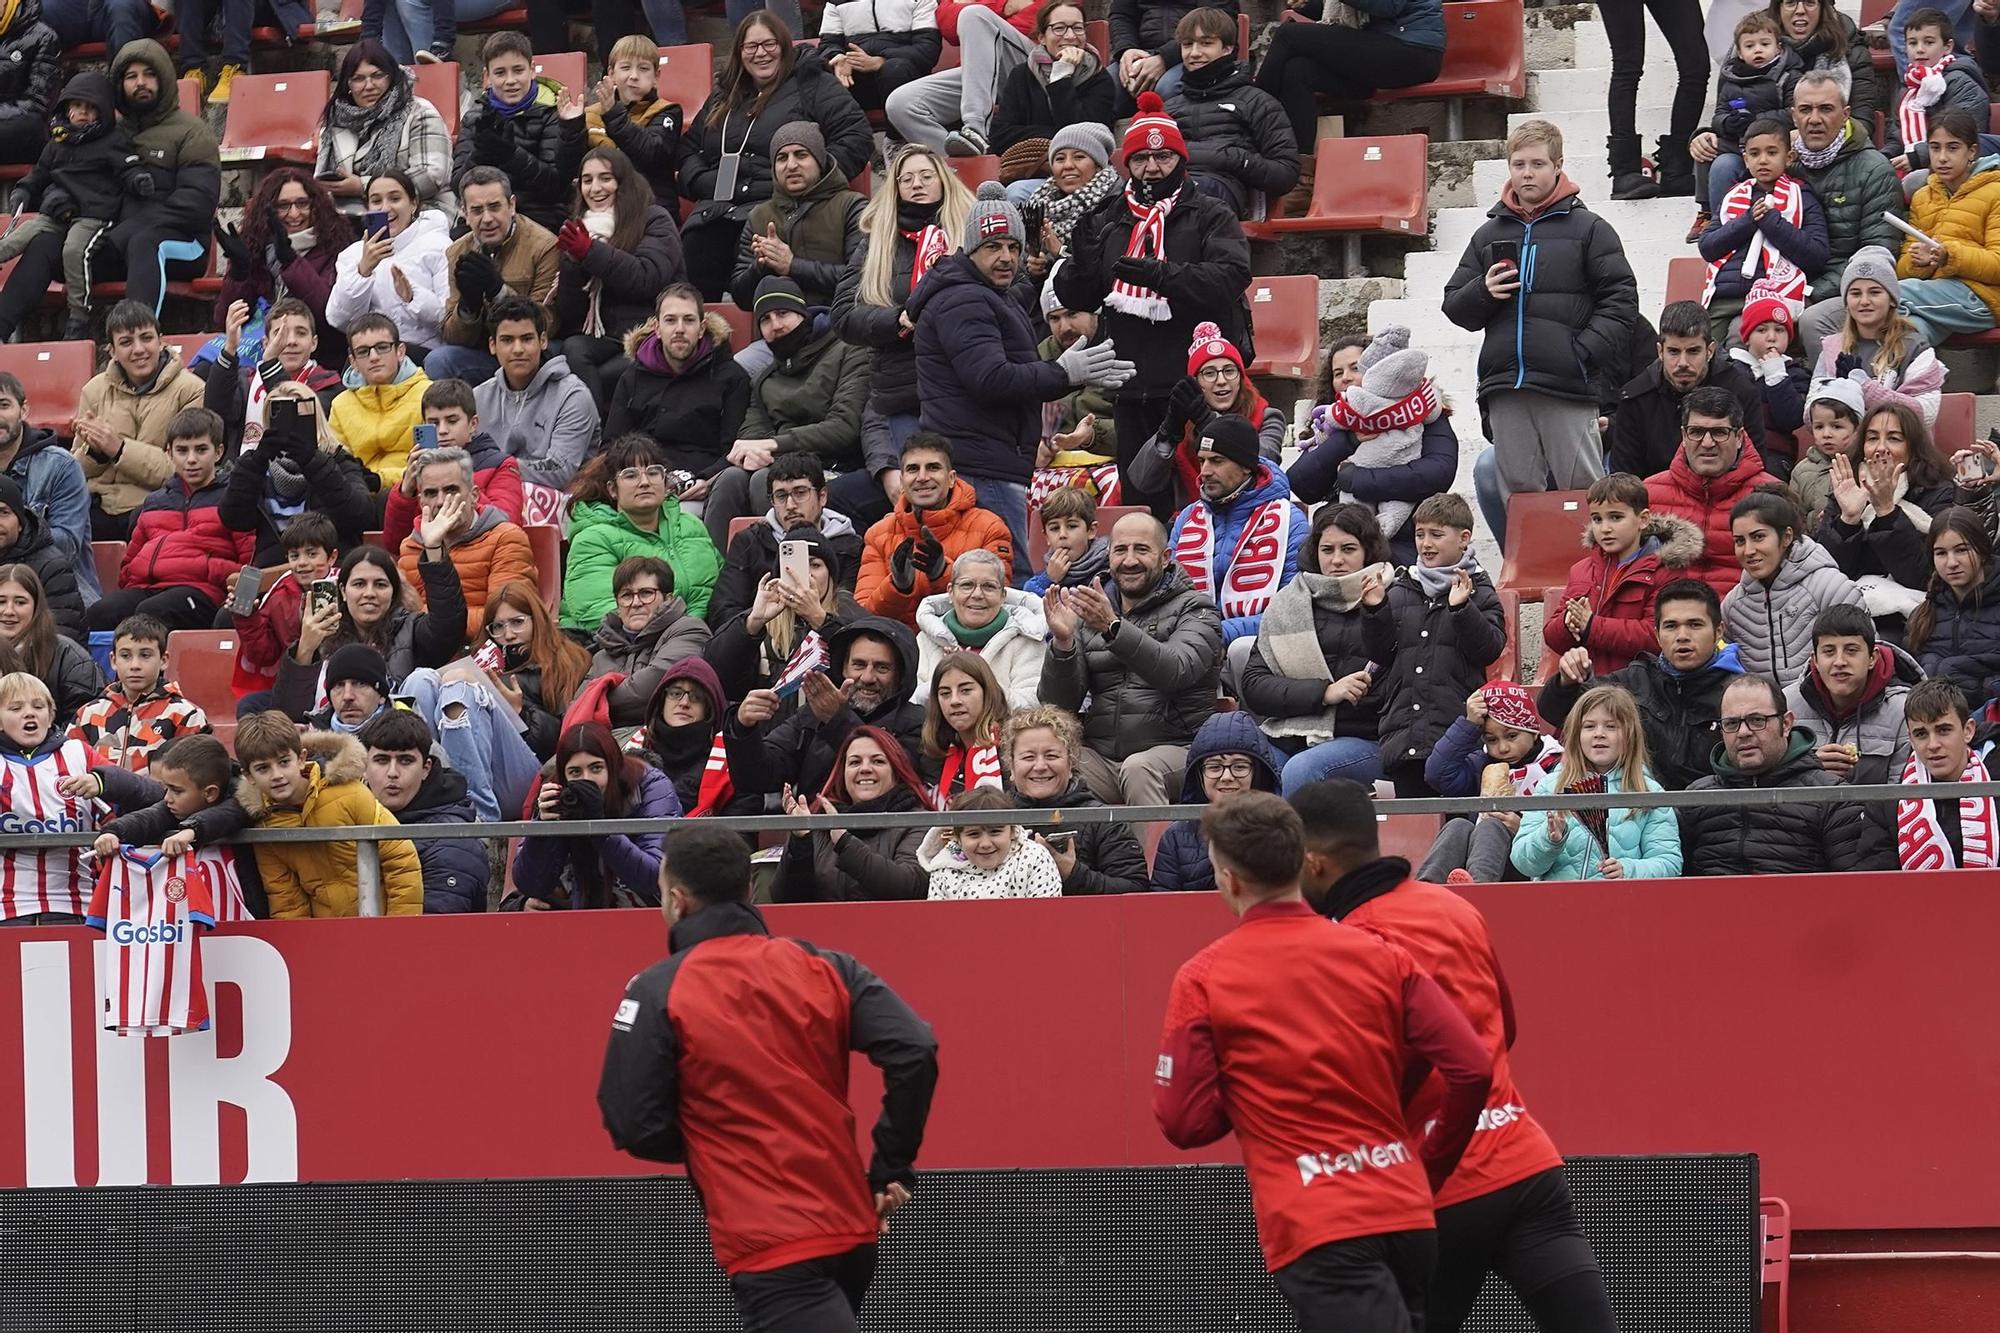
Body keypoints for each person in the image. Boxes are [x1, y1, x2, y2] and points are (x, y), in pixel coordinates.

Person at [1155, 790, 1492, 1333]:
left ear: (1229, 878)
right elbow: (1471, 1066)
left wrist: (1248, 1085)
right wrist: (1427, 1163)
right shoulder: (1381, 953)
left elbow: (1184, 1121)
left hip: (1317, 1221)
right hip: (1407, 1210)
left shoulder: (1205, 976)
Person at [1293, 780, 1618, 1331]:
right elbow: (1504, 1028)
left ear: (1312, 861)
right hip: (1526, 1166)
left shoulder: (1346, 947)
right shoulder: (1451, 906)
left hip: (1438, 1189)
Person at [597, 823, 938, 1331]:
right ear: (747, 889)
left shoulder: (658, 989)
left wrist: (721, 1140)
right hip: (850, 1230)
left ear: (675, 899)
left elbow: (632, 1123)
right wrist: (890, 1167)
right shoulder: (825, 966)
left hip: (772, 1243)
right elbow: (915, 1048)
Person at [910, 183, 1133, 559]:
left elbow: (1011, 303)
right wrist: (1064, 374)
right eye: (993, 246)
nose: (1006, 257)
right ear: (970, 250)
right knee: (1009, 579)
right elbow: (991, 379)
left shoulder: (981, 292)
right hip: (982, 464)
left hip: (989, 458)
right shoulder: (963, 299)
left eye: (1012, 247)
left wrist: (1041, 271)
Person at [1055, 94, 1250, 517]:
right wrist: (1082, 263)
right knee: (1142, 503)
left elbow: (1231, 276)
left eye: (1162, 158)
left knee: (1209, 497)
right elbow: (1075, 298)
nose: (1152, 168)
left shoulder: (1210, 213)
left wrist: (1162, 276)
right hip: (1130, 387)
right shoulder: (1108, 217)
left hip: (1195, 385)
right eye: (1142, 158)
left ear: (1179, 159)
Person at [1441, 120, 1638, 513]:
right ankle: (1533, 575)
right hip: (1505, 387)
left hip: (1568, 385)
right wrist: (1484, 291)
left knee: (1586, 497)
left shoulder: (1591, 229)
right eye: (1518, 164)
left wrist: (1579, 353)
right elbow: (1453, 305)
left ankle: (1591, 575)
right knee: (1521, 502)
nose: (1527, 173)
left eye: (1537, 164)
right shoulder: (1486, 234)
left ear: (1558, 166)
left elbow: (1622, 302)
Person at [0, 40, 214, 344]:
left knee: (144, 241)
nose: (140, 82)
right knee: (46, 241)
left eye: (148, 74)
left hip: (181, 243)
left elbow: (199, 203)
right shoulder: (102, 131)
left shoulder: (191, 131)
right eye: (130, 76)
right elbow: (67, 177)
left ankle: (137, 343)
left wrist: (136, 224)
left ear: (164, 77)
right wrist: (59, 198)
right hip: (111, 240)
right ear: (119, 86)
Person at [678, 13, 873, 299]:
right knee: (697, 244)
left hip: (784, 206)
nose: (761, 54)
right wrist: (704, 182)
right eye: (751, 47)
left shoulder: (812, 82)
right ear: (739, 52)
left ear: (784, 45)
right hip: (719, 208)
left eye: (769, 44)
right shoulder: (723, 93)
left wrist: (811, 174)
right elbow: (687, 151)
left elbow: (857, 137)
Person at [832, 143, 976, 527]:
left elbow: (1012, 292)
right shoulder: (875, 243)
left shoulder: (970, 232)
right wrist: (899, 319)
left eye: (926, 176)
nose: (916, 184)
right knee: (917, 508)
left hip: (962, 388)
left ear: (943, 181)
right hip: (901, 394)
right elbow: (844, 314)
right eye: (906, 178)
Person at [1041, 511, 1222, 805]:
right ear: (1108, 556)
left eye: (1142, 549)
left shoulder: (1197, 608)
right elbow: (1060, 705)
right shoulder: (1092, 611)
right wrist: (1063, 643)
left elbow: (1176, 670)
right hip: (1102, 756)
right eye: (1120, 550)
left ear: (1165, 557)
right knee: (1041, 765)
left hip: (1177, 750)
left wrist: (1114, 629)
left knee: (1139, 769)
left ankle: (1152, 853)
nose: (1129, 561)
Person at [704, 275, 874, 550]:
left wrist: (772, 445)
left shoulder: (848, 350)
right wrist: (750, 451)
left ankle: (785, 566)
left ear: (803, 314)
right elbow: (752, 431)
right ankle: (721, 575)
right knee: (731, 479)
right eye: (765, 320)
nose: (776, 326)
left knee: (767, 481)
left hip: (834, 465)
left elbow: (844, 427)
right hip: (782, 461)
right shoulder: (765, 378)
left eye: (783, 313)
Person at [1240, 503, 1395, 794]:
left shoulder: (1394, 599)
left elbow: (1397, 684)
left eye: (1348, 549)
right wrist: (1324, 692)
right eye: (1327, 550)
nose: (1336, 560)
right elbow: (1255, 685)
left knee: (1303, 769)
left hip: (1368, 739)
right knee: (1236, 765)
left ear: (1369, 551)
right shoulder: (1288, 603)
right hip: (1290, 734)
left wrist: (1378, 611)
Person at [1361, 493, 1506, 795]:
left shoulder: (1479, 591)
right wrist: (1375, 611)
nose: (1425, 544)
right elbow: (1381, 654)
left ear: (1464, 538)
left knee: (1450, 825)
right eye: (1419, 534)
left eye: (1437, 535)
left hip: (1453, 737)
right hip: (1403, 735)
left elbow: (1490, 648)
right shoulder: (1402, 589)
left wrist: (1463, 610)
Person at [1542, 577, 1745, 791]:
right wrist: (1566, 681)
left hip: (1714, 815)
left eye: (1695, 625)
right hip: (1640, 816)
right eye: (1671, 626)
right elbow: (1556, 712)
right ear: (1657, 635)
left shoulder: (1741, 693)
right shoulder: (1631, 682)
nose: (1682, 636)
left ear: (1719, 631)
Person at [1681, 672, 1890, 875]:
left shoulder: (1833, 797)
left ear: (1787, 724)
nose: (1743, 733)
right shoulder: (1696, 798)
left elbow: (1854, 890)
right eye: (1731, 723)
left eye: (1756, 720)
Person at [1, 70, 148, 342]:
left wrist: (138, 179)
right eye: (77, 106)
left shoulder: (111, 141)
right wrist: (22, 190)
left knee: (73, 250)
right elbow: (38, 175)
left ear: (102, 113)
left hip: (93, 216)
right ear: (66, 108)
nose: (82, 113)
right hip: (56, 216)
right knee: (14, 240)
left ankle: (78, 316)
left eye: (91, 108)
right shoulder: (56, 143)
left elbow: (128, 166)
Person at [1290, 328, 1457, 566]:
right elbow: (1301, 484)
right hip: (1346, 536)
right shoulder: (1331, 424)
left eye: (1355, 368)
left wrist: (1356, 479)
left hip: (1409, 534)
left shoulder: (1424, 413)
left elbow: (1438, 472)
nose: (1346, 377)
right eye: (1338, 373)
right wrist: (1349, 440)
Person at [232, 712, 422, 918]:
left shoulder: (350, 793)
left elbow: (402, 864)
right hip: (326, 939)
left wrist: (398, 932)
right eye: (263, 768)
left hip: (382, 926)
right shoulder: (265, 827)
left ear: (301, 759)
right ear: (249, 776)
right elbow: (287, 901)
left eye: (284, 762)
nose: (277, 775)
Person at [727, 613, 927, 798]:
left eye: (882, 668)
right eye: (858, 665)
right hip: (814, 834)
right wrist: (742, 727)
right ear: (843, 668)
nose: (867, 677)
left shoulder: (919, 723)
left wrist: (838, 720)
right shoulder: (814, 715)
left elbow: (903, 777)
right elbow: (757, 778)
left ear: (900, 675)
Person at [93, 409, 254, 632]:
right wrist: (134, 580)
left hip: (203, 592)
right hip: (149, 587)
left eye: (201, 450)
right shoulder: (153, 502)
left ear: (218, 452)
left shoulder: (233, 500)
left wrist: (211, 569)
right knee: (100, 612)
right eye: (182, 450)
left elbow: (251, 566)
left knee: (152, 612)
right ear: (169, 452)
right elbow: (129, 564)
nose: (191, 460)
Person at [553, 145, 685, 410]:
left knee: (601, 378)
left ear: (623, 182)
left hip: (650, 331)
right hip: (604, 335)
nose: (595, 188)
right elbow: (570, 313)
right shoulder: (581, 228)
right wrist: (572, 264)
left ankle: (599, 438)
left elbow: (646, 277)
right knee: (572, 349)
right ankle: (591, 439)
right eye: (587, 180)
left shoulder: (654, 218)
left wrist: (590, 252)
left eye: (606, 178)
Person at [1512, 683, 1682, 882]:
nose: (1599, 733)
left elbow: (1669, 863)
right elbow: (1523, 863)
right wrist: (1549, 840)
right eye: (1589, 726)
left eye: (1611, 726)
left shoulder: (1650, 794)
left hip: (1620, 906)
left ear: (1630, 736)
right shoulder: (1550, 787)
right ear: (1577, 735)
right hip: (1557, 905)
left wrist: (1628, 870)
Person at [1791, 74, 1908, 357]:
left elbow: (1876, 254)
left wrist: (1807, 293)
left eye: (1826, 109)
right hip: (1791, 286)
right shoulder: (1782, 163)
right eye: (1806, 110)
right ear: (1793, 116)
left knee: (1812, 321)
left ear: (1845, 114)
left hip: (1851, 291)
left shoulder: (1874, 170)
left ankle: (1832, 397)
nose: (1815, 119)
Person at [1165, 413, 1305, 649]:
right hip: (1188, 647)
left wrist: (1215, 635)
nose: (1205, 472)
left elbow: (1291, 610)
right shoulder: (1187, 518)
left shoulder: (1290, 520)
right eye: (1202, 461)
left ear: (1246, 468)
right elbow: (1165, 595)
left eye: (1217, 461)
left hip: (1258, 651)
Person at [274, 543, 468, 714]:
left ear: (393, 592)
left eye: (380, 585)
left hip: (396, 745)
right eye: (359, 584)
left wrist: (434, 551)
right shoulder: (320, 636)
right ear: (342, 591)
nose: (369, 593)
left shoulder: (411, 628)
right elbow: (288, 714)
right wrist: (305, 650)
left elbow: (448, 625)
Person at [506, 721, 682, 909]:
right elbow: (532, 885)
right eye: (575, 772)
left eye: (596, 768)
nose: (587, 779)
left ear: (613, 766)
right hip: (582, 911)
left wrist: (602, 829)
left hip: (647, 913)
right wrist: (543, 829)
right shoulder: (557, 794)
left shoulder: (650, 786)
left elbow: (655, 877)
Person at [70, 302, 207, 543]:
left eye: (146, 338)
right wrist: (96, 453)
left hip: (159, 504)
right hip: (98, 504)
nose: (139, 349)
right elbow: (75, 472)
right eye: (126, 342)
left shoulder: (192, 390)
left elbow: (187, 469)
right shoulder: (94, 390)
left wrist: (119, 449)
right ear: (112, 351)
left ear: (161, 341)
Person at [1691, 119, 1829, 358]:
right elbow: (1708, 247)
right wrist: (1748, 220)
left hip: (1773, 294)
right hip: (1725, 294)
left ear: (1789, 157)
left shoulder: (1802, 196)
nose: (1763, 160)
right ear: (1745, 160)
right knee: (1701, 348)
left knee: (1737, 342)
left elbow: (1816, 255)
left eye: (1772, 152)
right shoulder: (1734, 196)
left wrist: (1771, 222)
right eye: (1755, 153)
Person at [1543, 472, 1703, 676]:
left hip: (1644, 687)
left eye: (1616, 517)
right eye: (1597, 519)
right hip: (1590, 685)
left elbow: (1658, 636)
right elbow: (1552, 638)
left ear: (1643, 519)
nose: (1605, 528)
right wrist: (1568, 622)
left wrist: (1591, 625)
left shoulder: (1666, 571)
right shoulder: (1582, 570)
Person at [1820, 400, 1957, 638]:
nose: (1880, 448)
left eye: (1894, 438)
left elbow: (1924, 576)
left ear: (1912, 448)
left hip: (1913, 617)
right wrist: (1848, 519)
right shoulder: (1847, 487)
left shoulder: (1938, 492)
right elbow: (1827, 574)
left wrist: (1886, 512)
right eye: (1872, 438)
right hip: (1849, 613)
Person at [561, 434, 723, 629]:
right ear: (612, 489)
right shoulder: (594, 538)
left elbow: (723, 589)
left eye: (653, 472)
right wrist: (679, 630)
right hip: (623, 645)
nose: (645, 482)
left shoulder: (691, 525)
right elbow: (599, 612)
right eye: (631, 475)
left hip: (698, 635)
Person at [606, 286, 751, 499]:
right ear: (656, 327)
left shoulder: (732, 377)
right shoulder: (632, 377)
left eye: (689, 320)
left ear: (702, 328)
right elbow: (612, 446)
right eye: (671, 320)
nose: (680, 329)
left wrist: (705, 480)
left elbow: (735, 449)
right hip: (641, 487)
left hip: (702, 488)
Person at [1129, 319, 1287, 515]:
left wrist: (1207, 422)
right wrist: (1169, 430)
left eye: (1229, 371)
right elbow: (1142, 481)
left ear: (1241, 377)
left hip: (1252, 517)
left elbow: (1260, 461)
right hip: (1194, 522)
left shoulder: (1268, 417)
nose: (1221, 381)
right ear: (1195, 382)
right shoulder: (1186, 421)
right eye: (1209, 373)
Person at [856, 433, 1018, 623]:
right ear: (901, 481)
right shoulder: (878, 534)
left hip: (965, 646)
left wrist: (942, 573)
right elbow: (864, 616)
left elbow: (995, 601)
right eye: (913, 469)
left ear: (951, 479)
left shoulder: (990, 527)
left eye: (933, 468)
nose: (922, 477)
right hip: (899, 646)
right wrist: (898, 587)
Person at [216, 378, 376, 569]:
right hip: (273, 575)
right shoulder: (258, 466)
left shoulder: (339, 460)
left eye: (298, 417)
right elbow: (234, 518)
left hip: (330, 570)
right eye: (278, 415)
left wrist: (313, 462)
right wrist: (255, 464)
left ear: (313, 419)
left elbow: (361, 515)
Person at [1417, 682, 1564, 885]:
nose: (1503, 748)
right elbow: (1438, 773)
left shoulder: (1557, 765)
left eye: (1512, 736)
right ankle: (1427, 887)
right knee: (1458, 825)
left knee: (1491, 826)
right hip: (1480, 856)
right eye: (1492, 740)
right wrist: (1468, 725)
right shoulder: (1482, 764)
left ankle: (1479, 888)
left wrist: (1522, 829)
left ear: (1533, 731)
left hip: (1528, 863)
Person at [1643, 385, 1779, 598]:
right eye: (1696, 432)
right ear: (1683, 435)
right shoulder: (1648, 494)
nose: (1707, 443)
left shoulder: (1772, 496)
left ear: (1740, 437)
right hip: (1664, 620)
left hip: (1747, 620)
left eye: (1719, 432)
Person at [771, 725, 933, 902]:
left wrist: (844, 842)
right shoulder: (819, 822)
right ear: (843, 774)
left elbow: (910, 887)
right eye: (855, 762)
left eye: (878, 761)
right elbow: (785, 898)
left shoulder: (916, 821)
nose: (865, 769)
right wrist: (801, 842)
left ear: (897, 773)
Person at [1000, 703, 1150, 895]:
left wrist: (1073, 874)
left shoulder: (1105, 821)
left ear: (1071, 764)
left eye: (1051, 755)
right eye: (1028, 757)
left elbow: (1136, 890)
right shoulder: (995, 820)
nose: (1040, 766)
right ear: (1011, 768)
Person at [726, 121, 866, 324]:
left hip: (839, 332)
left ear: (820, 160)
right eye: (782, 158)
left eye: (801, 155)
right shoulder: (758, 216)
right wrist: (762, 266)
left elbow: (862, 280)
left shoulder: (852, 206)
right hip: (777, 339)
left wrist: (792, 265)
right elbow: (741, 298)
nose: (791, 165)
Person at [1161, 7, 1295, 216]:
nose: (1194, 53)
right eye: (1187, 44)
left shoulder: (1257, 102)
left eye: (1206, 43)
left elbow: (1285, 174)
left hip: (1221, 192)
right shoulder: (1169, 108)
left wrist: (1237, 159)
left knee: (1193, 196)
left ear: (1227, 49)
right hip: (1170, 189)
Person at [433, 167, 560, 384]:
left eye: (494, 207)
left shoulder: (545, 246)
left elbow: (548, 323)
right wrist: (468, 307)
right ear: (464, 212)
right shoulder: (457, 252)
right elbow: (454, 337)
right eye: (477, 210)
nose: (487, 218)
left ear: (511, 205)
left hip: (531, 349)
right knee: (440, 359)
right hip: (488, 349)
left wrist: (498, 291)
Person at [208, 249, 351, 442]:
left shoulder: (330, 386)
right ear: (265, 342)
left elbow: (296, 425)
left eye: (300, 333)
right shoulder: (246, 380)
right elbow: (215, 414)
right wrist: (230, 348)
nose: (290, 341)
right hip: (245, 468)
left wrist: (270, 364)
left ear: (314, 343)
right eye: (279, 334)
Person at [452, 33, 588, 236]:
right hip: (486, 216)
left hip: (539, 215)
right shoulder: (475, 117)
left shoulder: (551, 113)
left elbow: (555, 185)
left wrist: (510, 154)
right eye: (500, 73)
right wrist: (480, 155)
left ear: (532, 70)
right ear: (487, 76)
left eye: (518, 70)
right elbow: (457, 185)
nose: (510, 81)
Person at [708, 453, 865, 630]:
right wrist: (759, 622)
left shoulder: (849, 546)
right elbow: (722, 612)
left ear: (822, 496)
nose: (790, 505)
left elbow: (855, 616)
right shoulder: (750, 541)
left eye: (800, 493)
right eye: (781, 496)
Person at [393, 447, 537, 638]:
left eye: (451, 490)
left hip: (487, 655)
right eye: (430, 493)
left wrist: (423, 614)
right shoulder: (411, 547)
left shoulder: (506, 538)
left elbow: (504, 623)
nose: (441, 501)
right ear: (420, 502)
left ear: (474, 495)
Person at [357, 708, 489, 914]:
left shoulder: (452, 841)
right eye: (382, 760)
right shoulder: (348, 816)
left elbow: (434, 937)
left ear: (426, 768)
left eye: (405, 760)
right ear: (364, 766)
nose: (392, 773)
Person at [474, 296, 603, 502]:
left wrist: (491, 466)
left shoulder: (573, 395)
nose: (517, 349)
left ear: (543, 341)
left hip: (564, 506)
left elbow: (560, 471)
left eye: (526, 339)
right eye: (507, 340)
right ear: (492, 345)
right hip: (493, 500)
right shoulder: (478, 397)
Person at [0, 672, 102, 924]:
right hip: (5, 909)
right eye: (16, 708)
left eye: (38, 706)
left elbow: (141, 798)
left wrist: (103, 782)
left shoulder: (79, 753)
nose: (29, 713)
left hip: (76, 905)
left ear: (51, 715)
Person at [315, 40, 456, 222]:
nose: (369, 85)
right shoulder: (335, 121)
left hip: (420, 214)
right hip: (350, 217)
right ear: (347, 85)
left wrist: (363, 186)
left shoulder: (419, 112)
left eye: (377, 75)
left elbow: (432, 176)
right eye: (358, 79)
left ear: (391, 77)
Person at [1895, 108, 2000, 349]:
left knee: (1885, 296)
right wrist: (1918, 263)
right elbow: (1904, 267)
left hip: (1984, 298)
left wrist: (1948, 255)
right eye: (1935, 148)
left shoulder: (1996, 191)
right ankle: (1901, 384)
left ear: (1971, 151)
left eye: (1952, 148)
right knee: (1906, 333)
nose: (1942, 157)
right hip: (1936, 295)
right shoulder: (1923, 197)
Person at [382, 377, 526, 550]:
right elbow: (394, 544)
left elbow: (506, 524)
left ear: (473, 424)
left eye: (452, 421)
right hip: (426, 560)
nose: (442, 430)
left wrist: (460, 480)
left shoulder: (500, 464)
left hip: (482, 560)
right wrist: (406, 492)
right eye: (433, 423)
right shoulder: (421, 470)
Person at [1784, 602, 1920, 785]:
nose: (1840, 661)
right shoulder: (1786, 705)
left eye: (1851, 650)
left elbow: (1902, 796)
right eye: (1829, 651)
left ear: (1872, 658)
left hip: (1873, 813)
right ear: (1814, 660)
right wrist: (1808, 765)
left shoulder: (1903, 712)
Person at [324, 170, 453, 358]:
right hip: (374, 355)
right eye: (376, 201)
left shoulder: (438, 246)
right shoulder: (352, 255)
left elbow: (449, 318)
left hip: (424, 351)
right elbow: (339, 320)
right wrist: (363, 272)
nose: (385, 208)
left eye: (395, 198)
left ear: (413, 204)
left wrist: (413, 297)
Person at [1151, 709, 1281, 893]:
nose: (1226, 776)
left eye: (1239, 766)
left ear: (1258, 773)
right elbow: (1160, 904)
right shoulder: (1176, 836)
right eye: (1214, 767)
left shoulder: (1279, 829)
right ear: (1199, 775)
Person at [883, 0, 1036, 156]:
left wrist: (982, 12)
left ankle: (976, 130)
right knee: (901, 103)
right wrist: (1003, 5)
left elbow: (1037, 22)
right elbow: (948, 22)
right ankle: (960, 168)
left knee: (974, 15)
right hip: (978, 68)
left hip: (1032, 67)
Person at [992, 3, 1116, 192]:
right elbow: (1000, 136)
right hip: (1034, 174)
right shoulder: (1021, 75)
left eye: (1077, 27)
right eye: (1059, 28)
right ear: (1042, 37)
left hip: (1086, 178)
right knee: (1016, 192)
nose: (1070, 36)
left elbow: (1089, 138)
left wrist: (1060, 78)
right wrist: (1057, 134)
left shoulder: (1099, 77)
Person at [1812, 249, 1945, 425]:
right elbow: (1811, 413)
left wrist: (1866, 388)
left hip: (1900, 449)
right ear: (1846, 301)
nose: (1864, 301)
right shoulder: (1833, 347)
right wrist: (1838, 394)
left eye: (1874, 292)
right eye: (1856, 293)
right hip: (1845, 449)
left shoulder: (1916, 347)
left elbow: (1925, 413)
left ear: (1892, 299)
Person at [583, 554, 713, 731]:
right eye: (626, 595)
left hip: (660, 739)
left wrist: (595, 700)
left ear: (668, 598)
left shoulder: (689, 630)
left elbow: (650, 690)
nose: (635, 603)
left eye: (646, 593)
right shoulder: (602, 656)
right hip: (603, 743)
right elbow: (576, 704)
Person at [1688, 13, 1802, 215]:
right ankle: (1707, 213)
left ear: (1778, 47)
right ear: (1739, 53)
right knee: (1708, 150)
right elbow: (1719, 115)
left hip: (1776, 143)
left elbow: (1793, 113)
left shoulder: (1789, 76)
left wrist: (1758, 122)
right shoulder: (1731, 80)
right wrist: (1727, 123)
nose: (1758, 50)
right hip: (1737, 143)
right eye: (1749, 46)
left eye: (1764, 44)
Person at [67, 614, 209, 771]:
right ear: (113, 661)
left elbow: (193, 779)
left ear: (164, 660)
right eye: (125, 656)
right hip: (97, 795)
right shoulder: (88, 714)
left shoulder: (185, 716)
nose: (135, 665)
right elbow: (67, 769)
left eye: (145, 655)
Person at [913, 548, 1047, 707]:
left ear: (1003, 596)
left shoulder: (1028, 637)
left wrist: (977, 679)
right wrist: (946, 676)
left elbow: (1031, 705)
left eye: (988, 586)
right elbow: (912, 701)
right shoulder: (926, 638)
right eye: (967, 585)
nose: (977, 594)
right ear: (951, 592)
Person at [627, 657, 759, 816]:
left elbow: (738, 837)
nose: (684, 702)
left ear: (709, 708)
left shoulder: (735, 765)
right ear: (661, 702)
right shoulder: (630, 755)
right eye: (675, 693)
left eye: (696, 697)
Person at [480, 579, 592, 761]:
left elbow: (567, 736)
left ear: (537, 620)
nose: (508, 635)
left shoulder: (570, 661)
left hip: (542, 766)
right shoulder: (482, 665)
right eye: (498, 627)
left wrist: (520, 712)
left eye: (517, 622)